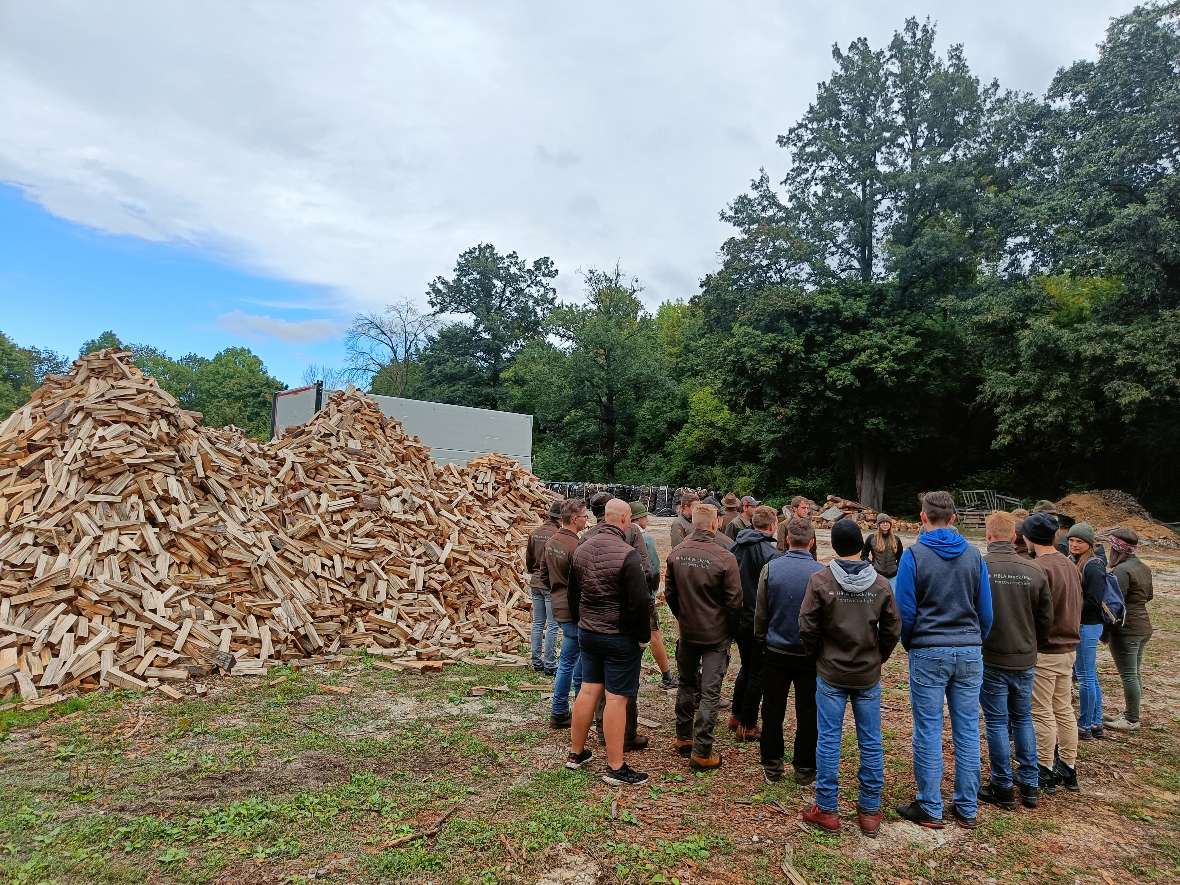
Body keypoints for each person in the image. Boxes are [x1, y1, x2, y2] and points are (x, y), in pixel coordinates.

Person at [894, 490, 992, 830]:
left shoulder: (914, 555)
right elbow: (986, 610)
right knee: (967, 728)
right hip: (968, 649)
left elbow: (904, 610)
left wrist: (912, 642)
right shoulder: (974, 556)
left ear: (923, 517)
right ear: (953, 518)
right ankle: (967, 806)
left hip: (929, 650)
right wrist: (976, 640)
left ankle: (931, 805)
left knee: (929, 728)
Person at [798, 519, 901, 838]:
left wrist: (818, 654)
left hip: (831, 671)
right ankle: (869, 810)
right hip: (866, 672)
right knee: (870, 739)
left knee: (829, 738)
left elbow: (807, 625)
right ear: (862, 545)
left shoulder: (821, 580)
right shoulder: (881, 584)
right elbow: (893, 629)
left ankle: (827, 809)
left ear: (834, 545)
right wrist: (878, 656)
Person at [565, 499, 652, 786]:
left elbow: (572, 594)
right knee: (616, 698)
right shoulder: (628, 555)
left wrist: (582, 622)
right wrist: (641, 638)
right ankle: (616, 766)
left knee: (588, 690)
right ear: (625, 519)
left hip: (589, 632)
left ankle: (576, 753)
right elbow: (640, 603)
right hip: (618, 636)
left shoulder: (581, 548)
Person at [978, 510, 1053, 812]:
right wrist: (1035, 644)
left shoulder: (981, 567)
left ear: (988, 536)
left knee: (996, 721)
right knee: (1023, 718)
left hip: (993, 654)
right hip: (1024, 656)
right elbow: (1045, 618)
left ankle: (1003, 785)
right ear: (1014, 536)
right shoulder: (1035, 571)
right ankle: (1031, 784)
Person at [665, 503, 742, 771]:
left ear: (694, 523)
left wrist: (683, 616)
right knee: (709, 692)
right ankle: (702, 750)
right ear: (715, 524)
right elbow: (734, 602)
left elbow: (670, 595)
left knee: (686, 684)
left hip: (687, 631)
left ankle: (683, 736)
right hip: (715, 634)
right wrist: (730, 630)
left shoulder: (676, 554)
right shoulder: (725, 558)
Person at [756, 516, 824, 785]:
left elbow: (761, 613)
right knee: (808, 710)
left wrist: (762, 640)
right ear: (812, 542)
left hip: (776, 649)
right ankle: (805, 767)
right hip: (809, 653)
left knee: (773, 708)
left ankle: (772, 764)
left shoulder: (771, 569)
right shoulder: (821, 573)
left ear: (786, 540)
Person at [1022, 511, 1082, 794]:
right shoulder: (1069, 564)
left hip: (1047, 649)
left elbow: (1035, 613)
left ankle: (1044, 768)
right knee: (1064, 709)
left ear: (1028, 538)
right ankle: (1068, 767)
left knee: (1041, 711)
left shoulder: (1039, 568)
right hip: (1069, 647)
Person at [728, 505, 779, 741]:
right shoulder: (768, 552)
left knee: (747, 667)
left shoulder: (736, 545)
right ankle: (747, 724)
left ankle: (736, 715)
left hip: (737, 617)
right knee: (757, 672)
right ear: (772, 526)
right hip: (756, 620)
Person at [542, 498, 590, 728]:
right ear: (573, 519)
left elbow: (543, 575)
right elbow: (582, 583)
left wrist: (555, 592)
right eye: (584, 516)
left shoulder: (552, 541)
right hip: (573, 610)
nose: (587, 520)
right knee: (572, 661)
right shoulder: (575, 546)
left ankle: (565, 709)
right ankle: (564, 710)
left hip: (558, 605)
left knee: (570, 659)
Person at [1104, 528, 1154, 732]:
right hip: (1143, 626)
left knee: (1129, 675)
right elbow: (1149, 596)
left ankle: (1132, 719)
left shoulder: (1121, 571)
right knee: (1134, 673)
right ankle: (1131, 713)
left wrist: (1105, 630)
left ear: (1117, 548)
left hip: (1127, 629)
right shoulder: (1143, 567)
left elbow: (1114, 603)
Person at [630, 501, 678, 689]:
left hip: (626, 597)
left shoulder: (620, 534)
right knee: (654, 635)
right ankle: (667, 676)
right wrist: (652, 592)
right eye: (644, 516)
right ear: (638, 518)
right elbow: (654, 569)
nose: (647, 519)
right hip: (644, 596)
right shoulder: (645, 539)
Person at [1067, 522, 1106, 741]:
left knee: (1085, 676)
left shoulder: (1093, 565)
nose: (1073, 544)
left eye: (1079, 541)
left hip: (1088, 625)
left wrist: (1069, 606)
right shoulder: (1075, 560)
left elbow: (1094, 600)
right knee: (1090, 675)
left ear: (1088, 544)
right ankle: (1096, 722)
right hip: (1084, 625)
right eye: (1071, 540)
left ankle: (1084, 725)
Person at [526, 500, 562, 674]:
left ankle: (536, 661)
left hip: (535, 581)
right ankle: (549, 663)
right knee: (553, 625)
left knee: (538, 623)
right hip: (550, 584)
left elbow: (529, 560)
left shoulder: (535, 533)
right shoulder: (558, 535)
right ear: (562, 518)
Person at [861, 514, 904, 587]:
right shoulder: (871, 538)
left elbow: (900, 556)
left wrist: (897, 567)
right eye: (882, 522)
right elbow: (863, 555)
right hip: (877, 575)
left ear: (890, 524)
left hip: (893, 575)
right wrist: (871, 565)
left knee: (892, 597)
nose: (885, 524)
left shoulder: (896, 539)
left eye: (887, 522)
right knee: (879, 597)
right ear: (878, 524)